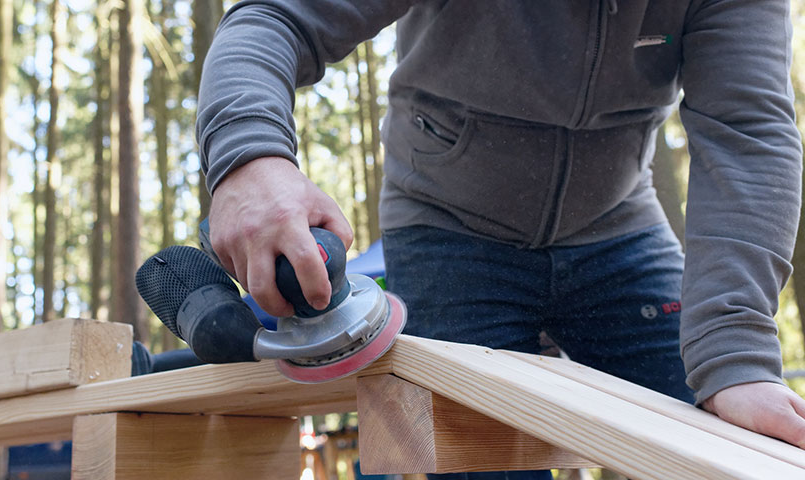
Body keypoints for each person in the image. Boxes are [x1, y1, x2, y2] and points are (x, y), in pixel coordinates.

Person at [196, 1, 805, 478]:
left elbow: (747, 132)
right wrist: (248, 158)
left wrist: (736, 356)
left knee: (737, 441)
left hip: (620, 228)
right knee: (478, 462)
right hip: (447, 228)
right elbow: (277, 18)